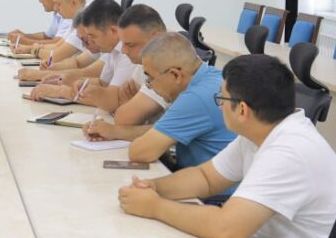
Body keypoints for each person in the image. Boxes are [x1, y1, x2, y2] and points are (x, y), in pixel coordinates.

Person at [116, 54, 336, 238]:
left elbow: (226, 228)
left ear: (242, 110)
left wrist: (155, 207)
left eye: (222, 99)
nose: (220, 106)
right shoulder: (258, 133)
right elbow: (206, 178)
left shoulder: (289, 152)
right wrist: (153, 187)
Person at [89, 32, 235, 165]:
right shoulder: (214, 77)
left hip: (209, 185)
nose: (150, 86)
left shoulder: (194, 98)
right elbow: (166, 129)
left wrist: (118, 132)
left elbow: (139, 153)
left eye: (150, 78)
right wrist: (115, 131)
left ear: (175, 75)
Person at [25, 0, 135, 110]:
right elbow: (103, 83)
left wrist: (62, 91)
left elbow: (113, 100)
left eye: (92, 36)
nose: (89, 42)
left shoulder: (127, 53)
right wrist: (68, 80)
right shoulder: (112, 49)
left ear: (113, 31)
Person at [19, 0, 89, 65]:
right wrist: (30, 48)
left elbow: (55, 56)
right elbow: (58, 45)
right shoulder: (77, 16)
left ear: (74, 2)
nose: (55, 8)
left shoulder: (86, 19)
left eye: (58, 4)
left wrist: (35, 49)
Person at [1, 0, 68, 46]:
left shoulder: (68, 16)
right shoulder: (57, 14)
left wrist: (25, 41)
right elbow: (47, 36)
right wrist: (23, 35)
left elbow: (57, 43)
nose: (40, 0)